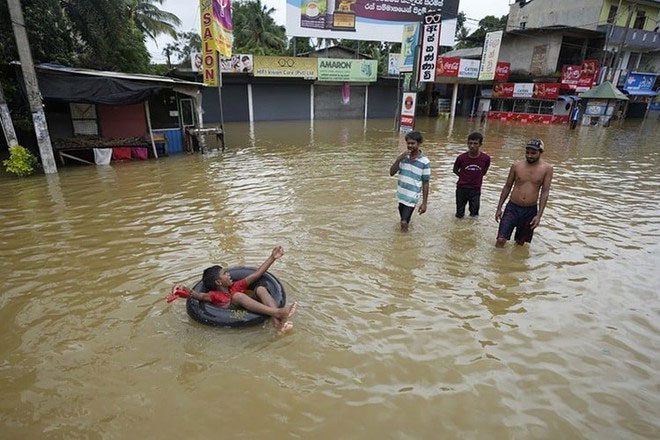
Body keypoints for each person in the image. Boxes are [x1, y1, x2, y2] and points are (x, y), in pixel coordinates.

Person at [168, 246, 297, 332]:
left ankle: (277, 323)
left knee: (261, 289)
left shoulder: (236, 286)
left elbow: (257, 274)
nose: (229, 274)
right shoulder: (213, 295)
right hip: (235, 313)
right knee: (237, 296)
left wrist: (272, 257)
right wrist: (182, 289)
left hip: (249, 305)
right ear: (219, 282)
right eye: (225, 273)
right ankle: (279, 313)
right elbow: (196, 295)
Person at [495, 139, 553, 247]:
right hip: (512, 208)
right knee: (501, 239)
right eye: (527, 152)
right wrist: (499, 208)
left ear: (541, 152)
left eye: (533, 153)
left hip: (530, 210)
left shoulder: (547, 169)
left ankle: (513, 263)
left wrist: (539, 215)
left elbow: (545, 192)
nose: (530, 156)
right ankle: (495, 262)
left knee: (520, 243)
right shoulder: (516, 166)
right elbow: (507, 186)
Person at [389, 131, 430, 232]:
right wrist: (399, 159)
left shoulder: (424, 161)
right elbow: (391, 173)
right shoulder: (403, 158)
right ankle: (407, 232)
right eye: (408, 143)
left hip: (412, 196)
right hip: (401, 194)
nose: (410, 145)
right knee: (404, 220)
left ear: (419, 143)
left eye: (413, 143)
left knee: (403, 223)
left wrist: (424, 203)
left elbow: (425, 182)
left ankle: (403, 244)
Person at [453, 132, 490, 218]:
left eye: (475, 143)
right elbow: (455, 170)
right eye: (470, 143)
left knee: (474, 215)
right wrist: (464, 176)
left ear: (480, 144)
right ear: (467, 143)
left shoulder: (485, 158)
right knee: (459, 214)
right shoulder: (461, 158)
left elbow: (484, 171)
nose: (472, 146)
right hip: (462, 188)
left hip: (475, 189)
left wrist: (475, 177)